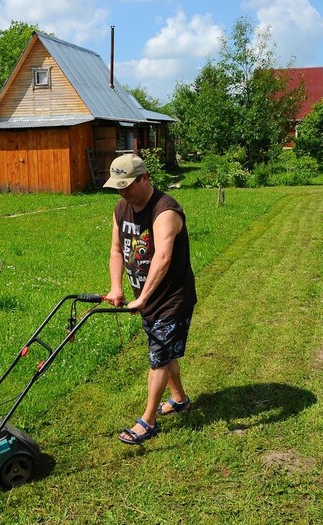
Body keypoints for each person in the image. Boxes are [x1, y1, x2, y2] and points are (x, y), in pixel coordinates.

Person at [103, 153, 197, 445]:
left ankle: (148, 421)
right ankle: (179, 399)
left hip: (171, 298)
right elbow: (117, 250)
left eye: (128, 185)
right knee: (164, 352)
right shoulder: (121, 209)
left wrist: (143, 297)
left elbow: (164, 256)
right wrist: (116, 287)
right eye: (118, 187)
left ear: (145, 178)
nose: (123, 192)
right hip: (146, 300)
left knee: (158, 357)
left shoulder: (165, 210)